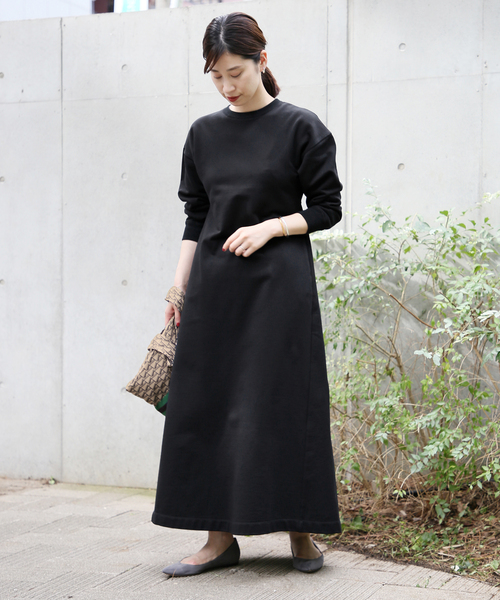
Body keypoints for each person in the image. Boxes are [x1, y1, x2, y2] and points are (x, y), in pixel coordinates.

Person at [152, 11, 343, 577]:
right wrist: (178, 289)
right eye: (216, 76)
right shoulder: (203, 134)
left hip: (279, 290)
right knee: (210, 405)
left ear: (262, 60)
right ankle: (219, 540)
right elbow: (196, 215)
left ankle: (301, 532)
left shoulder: (301, 127)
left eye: (235, 72)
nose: (227, 86)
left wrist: (272, 227)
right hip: (215, 291)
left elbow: (327, 208)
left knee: (284, 403)